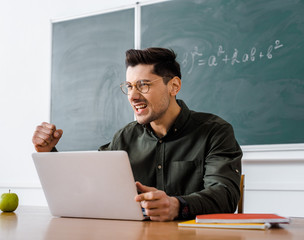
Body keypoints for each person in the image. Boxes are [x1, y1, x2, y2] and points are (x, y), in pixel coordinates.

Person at [32, 47, 242, 222]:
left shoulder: (215, 131)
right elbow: (88, 184)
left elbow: (225, 195)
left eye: (143, 85)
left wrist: (177, 205)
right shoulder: (124, 138)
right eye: (129, 86)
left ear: (174, 86)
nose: (133, 96)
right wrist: (48, 152)